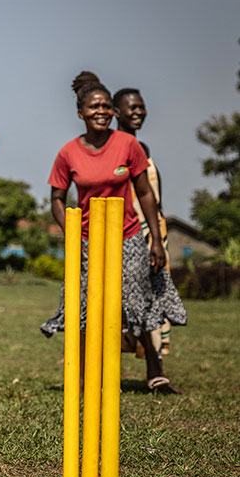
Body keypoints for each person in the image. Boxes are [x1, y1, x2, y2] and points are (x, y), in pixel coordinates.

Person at [40, 77, 186, 393]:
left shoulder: (127, 145)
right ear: (81, 113)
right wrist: (70, 233)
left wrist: (156, 240)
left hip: (128, 235)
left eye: (107, 106)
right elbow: (56, 198)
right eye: (95, 106)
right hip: (87, 241)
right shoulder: (68, 153)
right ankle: (82, 377)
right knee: (84, 306)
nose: (102, 111)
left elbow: (145, 192)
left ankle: (155, 373)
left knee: (140, 304)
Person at [114, 87, 178, 363]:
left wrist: (157, 238)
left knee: (154, 296)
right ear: (116, 112)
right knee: (126, 299)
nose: (139, 112)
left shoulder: (143, 149)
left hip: (155, 233)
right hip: (129, 232)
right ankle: (110, 367)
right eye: (132, 107)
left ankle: (155, 366)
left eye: (142, 107)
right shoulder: (113, 148)